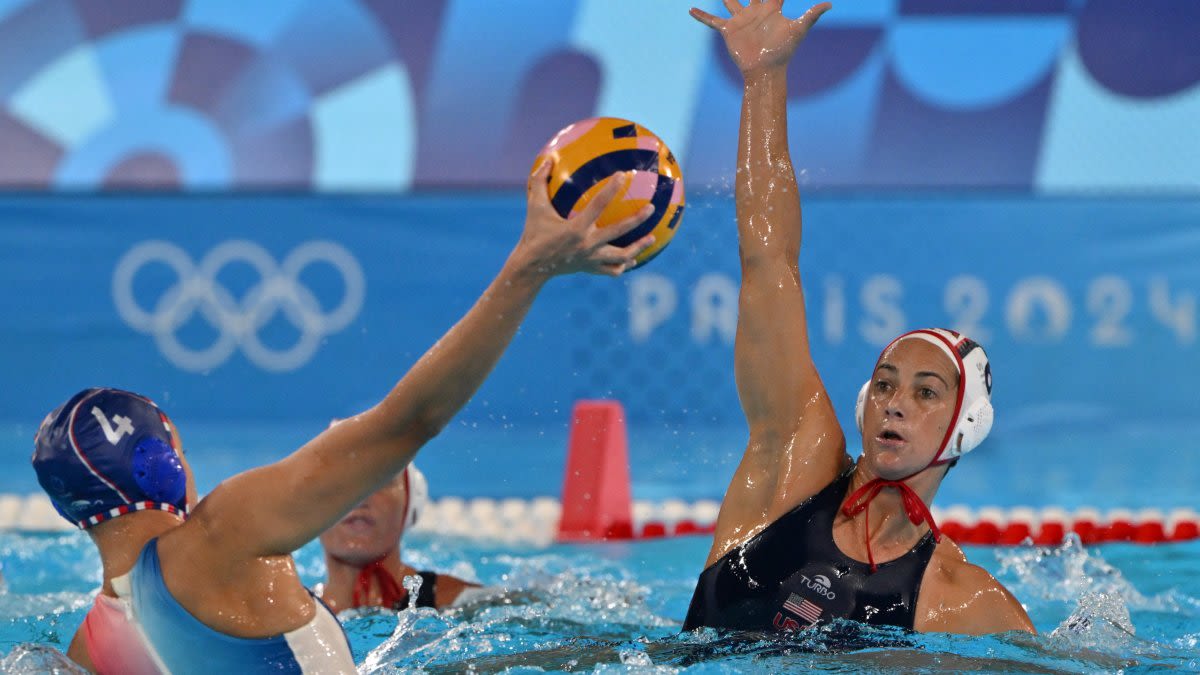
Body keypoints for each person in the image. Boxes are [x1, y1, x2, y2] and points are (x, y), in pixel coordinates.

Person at [32, 162, 656, 674]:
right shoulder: (225, 533)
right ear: (161, 465)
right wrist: (527, 270)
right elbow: (408, 422)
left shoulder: (89, 650)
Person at [682, 1, 1034, 636]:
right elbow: (769, 263)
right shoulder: (794, 463)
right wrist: (765, 80)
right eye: (886, 382)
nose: (894, 404)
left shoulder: (960, 603)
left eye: (926, 392)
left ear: (965, 426)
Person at [317, 462, 484, 612]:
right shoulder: (296, 618)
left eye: (379, 481)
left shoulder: (469, 604)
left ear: (411, 503)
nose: (359, 499)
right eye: (338, 484)